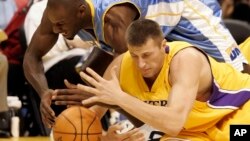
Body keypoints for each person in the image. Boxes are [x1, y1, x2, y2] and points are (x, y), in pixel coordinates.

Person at [23, 0, 250, 135]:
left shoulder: (116, 21)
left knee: (235, 75)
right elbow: (31, 56)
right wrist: (44, 92)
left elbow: (129, 97)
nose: (55, 28)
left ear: (81, 11)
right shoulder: (58, 12)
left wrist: (105, 97)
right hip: (148, 31)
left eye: (60, 24)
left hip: (185, 9)